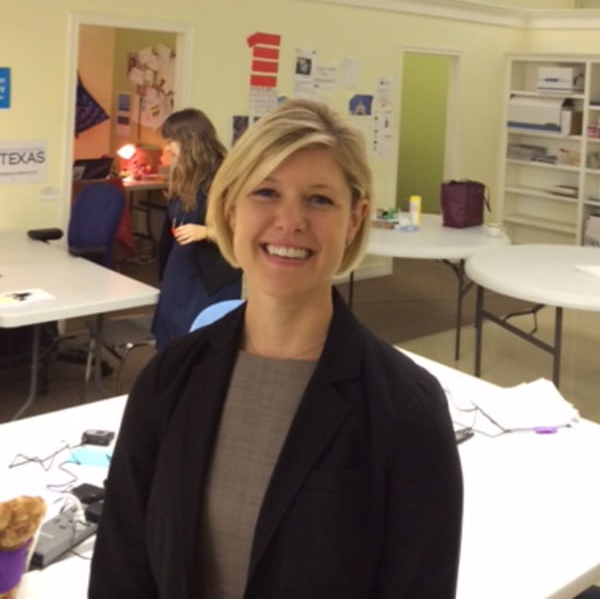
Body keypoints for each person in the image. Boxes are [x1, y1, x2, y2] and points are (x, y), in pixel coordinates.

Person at [89, 99, 463, 598]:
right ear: (229, 210)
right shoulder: (168, 379)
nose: (290, 221)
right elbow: (122, 569)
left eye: (320, 200)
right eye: (266, 192)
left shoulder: (406, 407)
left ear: (355, 219)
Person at [151, 108, 242, 349]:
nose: (167, 148)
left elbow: (245, 230)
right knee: (170, 341)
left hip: (209, 278)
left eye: (172, 141)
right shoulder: (186, 174)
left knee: (198, 343)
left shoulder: (224, 178)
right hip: (180, 270)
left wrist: (207, 232)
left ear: (190, 140)